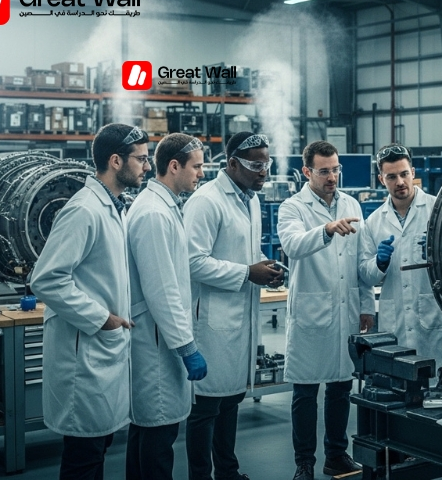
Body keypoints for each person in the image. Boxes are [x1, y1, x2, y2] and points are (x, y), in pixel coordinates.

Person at [30, 123, 149, 480]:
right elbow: (46, 279)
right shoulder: (84, 209)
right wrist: (102, 318)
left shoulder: (114, 207)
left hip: (103, 352)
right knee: (84, 457)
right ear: (116, 161)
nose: (147, 166)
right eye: (141, 159)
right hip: (86, 353)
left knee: (96, 449)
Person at [183, 131, 283, 480]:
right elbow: (193, 261)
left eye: (267, 163)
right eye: (257, 165)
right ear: (231, 164)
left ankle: (227, 471)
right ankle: (201, 475)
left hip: (240, 316)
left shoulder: (251, 199)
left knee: (230, 401)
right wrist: (246, 272)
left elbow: (244, 253)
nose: (264, 171)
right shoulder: (206, 201)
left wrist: (264, 268)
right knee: (206, 407)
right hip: (212, 320)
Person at [278, 140, 375, 480]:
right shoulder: (292, 207)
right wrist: (326, 229)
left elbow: (361, 261)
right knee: (305, 391)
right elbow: (292, 245)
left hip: (346, 310)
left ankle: (337, 455)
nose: (332, 176)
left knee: (340, 387)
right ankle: (304, 463)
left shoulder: (351, 204)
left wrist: (367, 306)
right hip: (311, 311)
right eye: (324, 171)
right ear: (307, 172)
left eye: (336, 169)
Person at [125, 133, 208, 480]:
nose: (201, 174)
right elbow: (161, 290)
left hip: (158, 339)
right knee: (157, 439)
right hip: (156, 344)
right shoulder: (154, 214)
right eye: (197, 166)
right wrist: (187, 347)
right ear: (173, 166)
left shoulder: (163, 206)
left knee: (146, 432)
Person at [358, 144, 442, 371]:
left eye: (404, 174)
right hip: (395, 317)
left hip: (432, 316)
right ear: (381, 179)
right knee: (399, 382)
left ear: (413, 173)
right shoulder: (374, 222)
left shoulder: (438, 210)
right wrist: (379, 263)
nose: (399, 182)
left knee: (435, 382)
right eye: (391, 176)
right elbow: (366, 275)